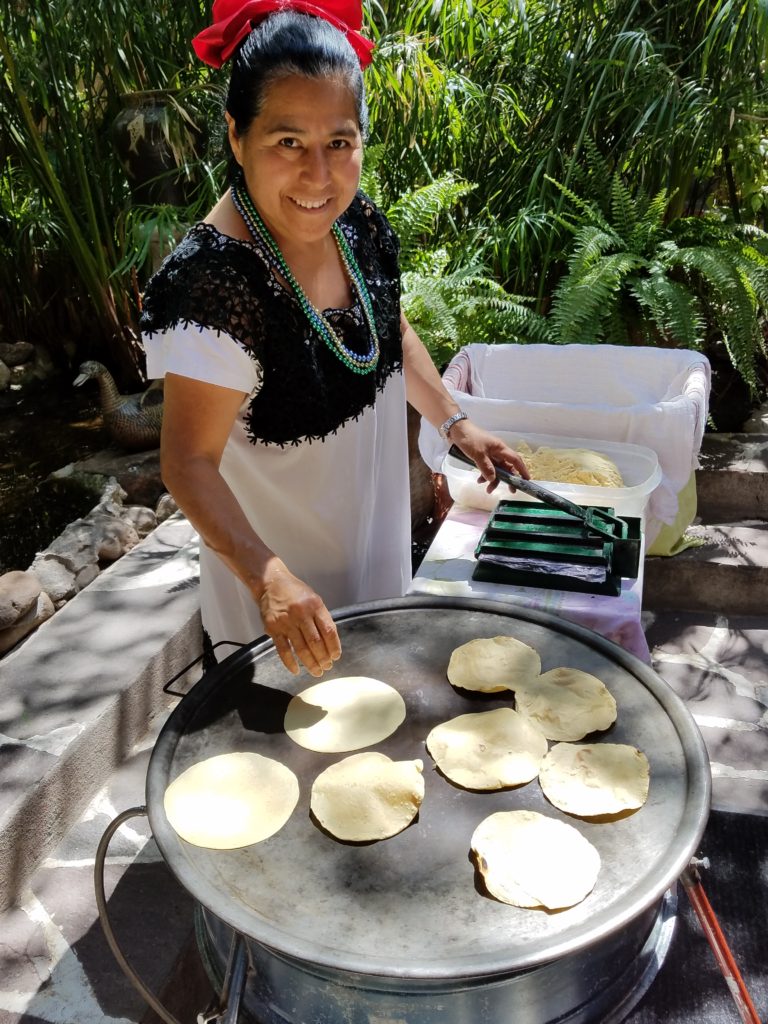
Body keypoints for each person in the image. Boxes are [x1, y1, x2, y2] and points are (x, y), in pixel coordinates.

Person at [141, 0, 528, 679]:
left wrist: (456, 421)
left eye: (339, 143)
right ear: (237, 136)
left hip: (372, 571)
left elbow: (388, 326)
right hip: (281, 619)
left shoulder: (357, 227)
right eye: (287, 143)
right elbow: (189, 463)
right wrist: (268, 582)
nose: (319, 176)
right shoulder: (213, 287)